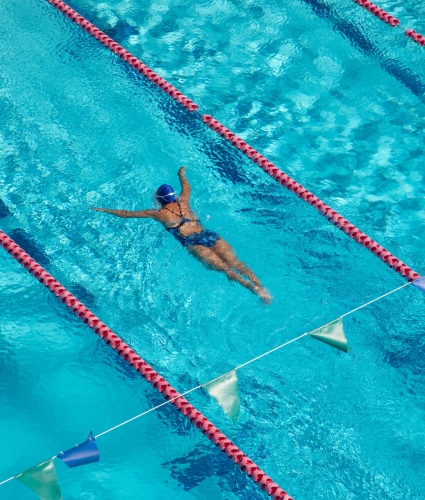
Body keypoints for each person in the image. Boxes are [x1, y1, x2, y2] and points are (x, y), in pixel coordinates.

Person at [90, 167, 271, 302]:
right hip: (209, 235)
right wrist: (181, 175)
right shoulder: (183, 201)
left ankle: (251, 289)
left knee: (226, 270)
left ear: (159, 200)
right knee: (237, 263)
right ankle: (261, 287)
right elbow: (186, 186)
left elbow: (127, 214)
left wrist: (104, 209)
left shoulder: (159, 214)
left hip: (193, 242)